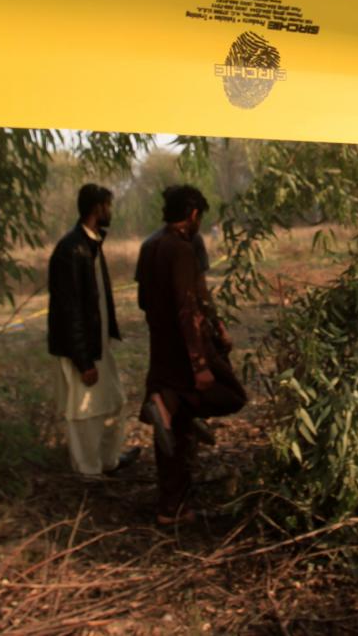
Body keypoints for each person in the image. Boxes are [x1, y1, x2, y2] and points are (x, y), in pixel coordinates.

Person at [135, 185, 246, 524]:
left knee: (173, 432)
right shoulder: (181, 249)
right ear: (193, 214)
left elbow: (143, 300)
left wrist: (216, 321)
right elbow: (188, 307)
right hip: (185, 347)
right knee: (231, 395)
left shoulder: (150, 245)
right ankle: (173, 404)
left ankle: (172, 507)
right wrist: (200, 364)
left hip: (161, 344)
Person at [46, 183, 140, 478]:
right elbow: (69, 310)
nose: (110, 211)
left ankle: (108, 461)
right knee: (84, 411)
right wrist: (83, 361)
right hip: (81, 350)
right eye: (107, 206)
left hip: (97, 345)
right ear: (98, 208)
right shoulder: (71, 249)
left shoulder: (91, 244)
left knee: (113, 402)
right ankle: (88, 471)